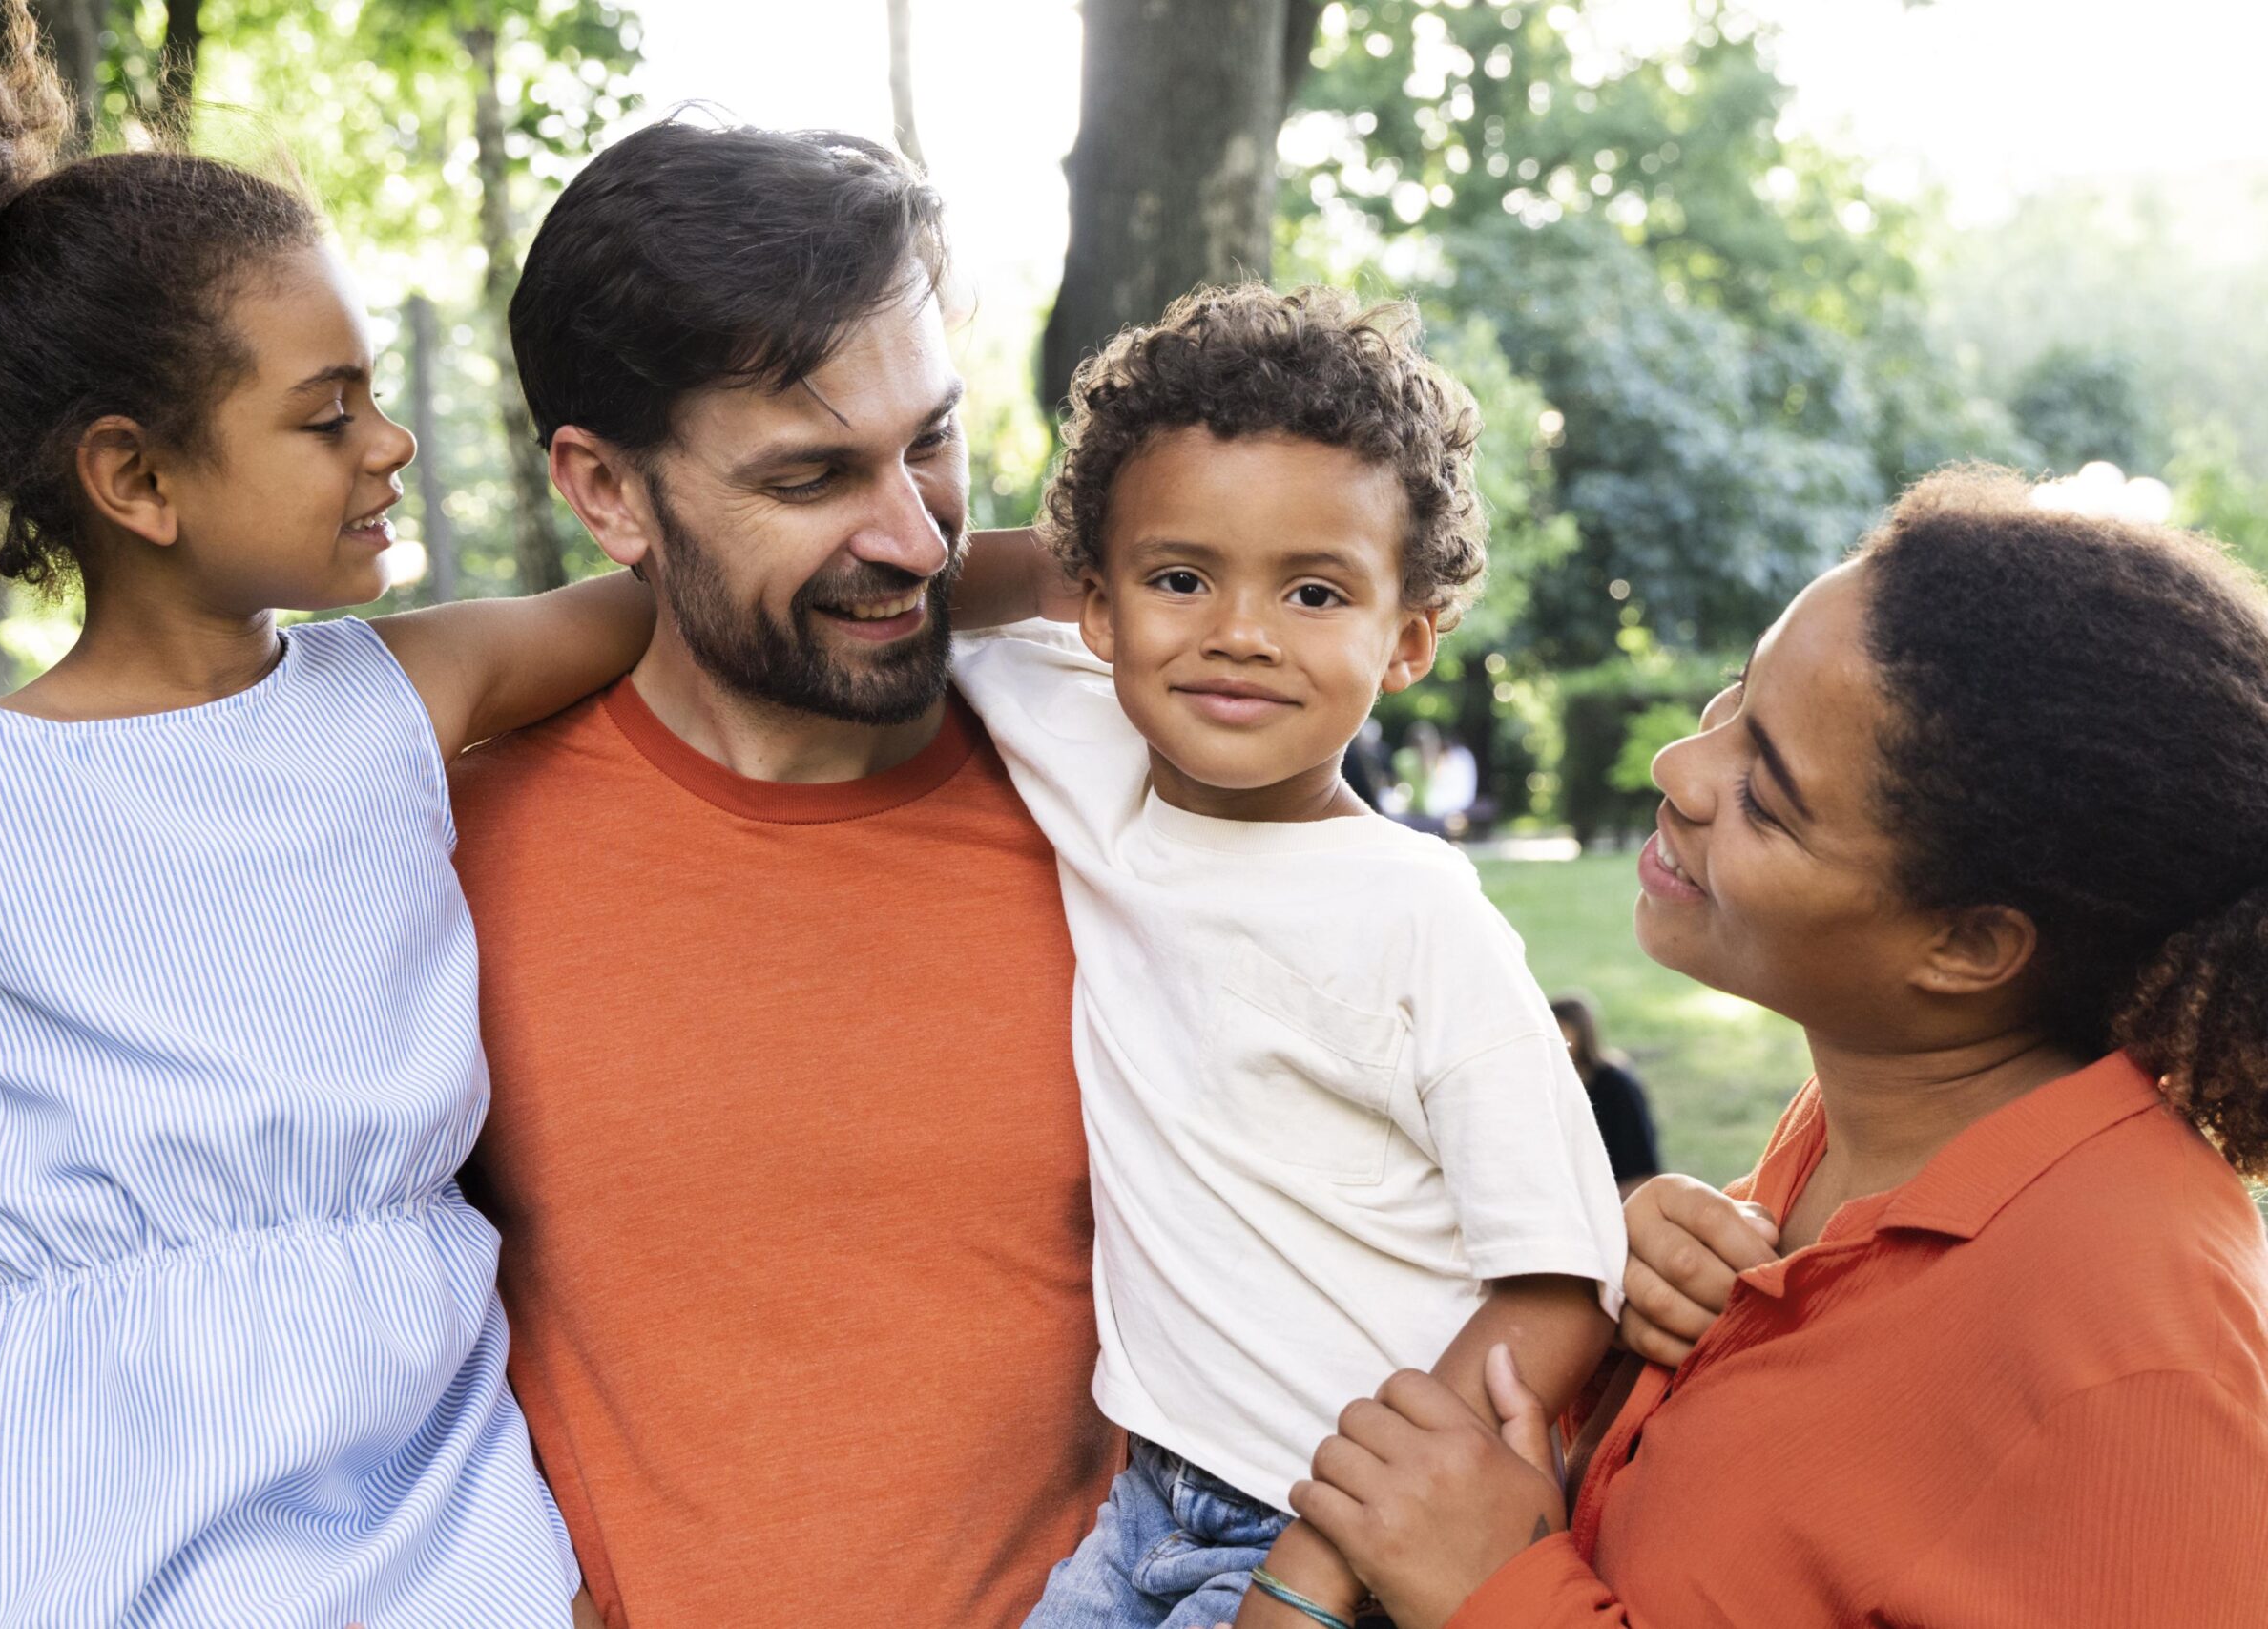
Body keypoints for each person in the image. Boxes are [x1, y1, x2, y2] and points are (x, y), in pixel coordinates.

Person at [0, 12, 650, 1622]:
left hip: (441, 1473)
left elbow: (721, 593)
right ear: (137, 479)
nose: (389, 440)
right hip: (108, 1492)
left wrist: (1083, 568)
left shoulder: (410, 688)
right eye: (326, 411)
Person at [1276, 467, 2268, 1626]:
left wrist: (1497, 1594)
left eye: (1768, 798)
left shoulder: (2142, 1362)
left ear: (1968, 944)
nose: (1681, 772)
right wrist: (1626, 1314)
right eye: (1733, 698)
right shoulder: (1868, 1127)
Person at [446, 116, 1120, 1629]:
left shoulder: (1121, 800)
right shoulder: (439, 854)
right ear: (607, 491)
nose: (916, 536)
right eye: (814, 476)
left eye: (932, 440)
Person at [951, 285, 1627, 1629]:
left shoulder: (1421, 916)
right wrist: (1080, 547)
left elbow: (1563, 1281)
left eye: (1315, 590)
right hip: (1141, 1509)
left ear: (1411, 638)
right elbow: (903, 584)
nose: (1240, 631)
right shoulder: (1090, 759)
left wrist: (1322, 1566)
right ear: (1094, 606)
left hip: (1333, 1540)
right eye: (1183, 576)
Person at [1548, 996, 1660, 1197]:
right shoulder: (1553, 1080)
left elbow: (1638, 1156)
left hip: (1622, 1186)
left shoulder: (1615, 1082)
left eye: (1562, 1033)